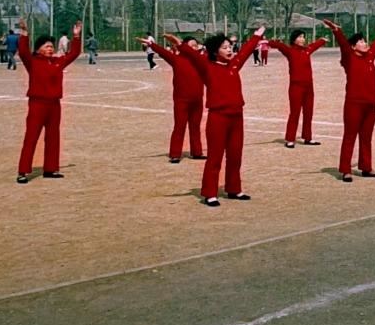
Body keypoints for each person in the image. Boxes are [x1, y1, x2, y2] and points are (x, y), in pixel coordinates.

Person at [178, 28, 264, 206]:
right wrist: (180, 44)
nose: (229, 50)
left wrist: (257, 35)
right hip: (218, 117)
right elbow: (193, 57)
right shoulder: (207, 67)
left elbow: (246, 50)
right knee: (215, 156)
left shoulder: (234, 65)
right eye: (225, 47)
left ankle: (234, 189)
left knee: (235, 155)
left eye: (230, 47)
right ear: (215, 51)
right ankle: (210, 193)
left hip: (237, 116)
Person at [323, 19, 375, 182]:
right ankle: (346, 170)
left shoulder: (369, 56)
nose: (365, 43)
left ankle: (366, 167)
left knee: (366, 137)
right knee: (350, 136)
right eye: (361, 42)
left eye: (364, 40)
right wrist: (336, 30)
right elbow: (343, 45)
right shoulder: (349, 58)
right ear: (353, 47)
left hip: (371, 104)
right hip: (354, 104)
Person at [15, 20, 83, 182]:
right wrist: (24, 34)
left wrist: (76, 36)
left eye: (51, 46)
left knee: (53, 137)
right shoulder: (32, 62)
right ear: (38, 49)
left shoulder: (58, 62)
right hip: (37, 104)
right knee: (31, 137)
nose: (50, 49)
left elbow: (74, 54)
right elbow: (23, 52)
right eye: (46, 46)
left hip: (54, 105)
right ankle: (23, 171)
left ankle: (51, 169)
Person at [141, 33, 207, 163]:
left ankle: (197, 152)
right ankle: (175, 154)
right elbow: (163, 52)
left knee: (195, 127)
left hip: (197, 100)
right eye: (191, 45)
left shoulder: (201, 60)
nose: (194, 48)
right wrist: (151, 44)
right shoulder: (176, 59)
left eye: (196, 45)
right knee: (179, 127)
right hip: (181, 100)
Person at [269, 28, 329, 147]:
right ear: (294, 39)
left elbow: (315, 45)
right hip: (296, 87)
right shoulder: (290, 51)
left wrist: (322, 40)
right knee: (295, 113)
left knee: (308, 113)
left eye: (303, 37)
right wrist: (268, 42)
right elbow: (280, 46)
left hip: (309, 87)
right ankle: (290, 139)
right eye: (300, 37)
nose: (302, 39)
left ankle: (307, 138)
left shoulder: (307, 50)